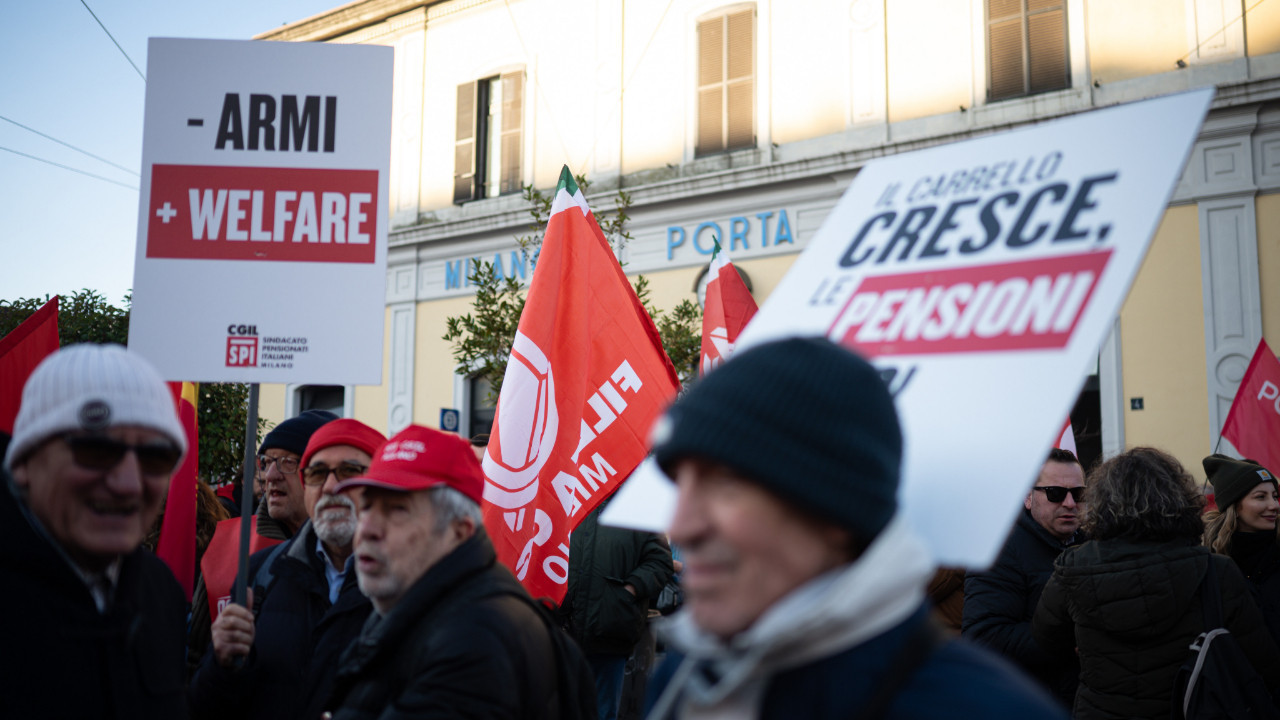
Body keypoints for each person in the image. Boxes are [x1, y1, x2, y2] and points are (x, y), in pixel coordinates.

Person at [644, 336, 1066, 719]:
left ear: (836, 510)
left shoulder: (988, 710)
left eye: (726, 485)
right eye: (679, 483)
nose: (681, 527)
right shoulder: (685, 681)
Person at [325, 424, 595, 719]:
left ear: (460, 531)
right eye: (365, 507)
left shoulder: (474, 641)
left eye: (397, 509)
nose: (367, 529)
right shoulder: (412, 606)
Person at [0, 344, 189, 718]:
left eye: (156, 458)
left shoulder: (160, 589)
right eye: (96, 450)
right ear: (23, 462)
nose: (129, 484)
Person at [1033, 446, 1280, 719]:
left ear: (1102, 502)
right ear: (1178, 497)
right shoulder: (1215, 569)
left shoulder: (1073, 566)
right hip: (1193, 708)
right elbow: (1263, 663)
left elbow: (1046, 642)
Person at [190, 418, 383, 720]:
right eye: (317, 473)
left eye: (349, 471)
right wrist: (223, 664)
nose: (331, 486)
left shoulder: (415, 583)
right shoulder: (260, 574)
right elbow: (204, 702)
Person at [187, 409, 338, 675]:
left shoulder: (353, 556)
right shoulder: (227, 546)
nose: (270, 476)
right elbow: (193, 660)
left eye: (288, 462)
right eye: (266, 462)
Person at [962, 447, 1086, 706]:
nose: (1070, 503)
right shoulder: (1000, 550)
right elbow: (984, 636)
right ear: (1028, 497)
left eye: (1079, 493)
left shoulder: (1094, 543)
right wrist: (1069, 643)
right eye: (1055, 493)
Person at [561, 502, 674, 720]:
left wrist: (629, 590)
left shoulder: (636, 507)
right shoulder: (571, 495)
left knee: (601, 711)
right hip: (563, 629)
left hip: (609, 628)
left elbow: (660, 562)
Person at [1203, 453, 1280, 646]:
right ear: (1234, 506)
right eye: (1261, 497)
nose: (1274, 505)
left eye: (1275, 496)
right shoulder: (1209, 565)